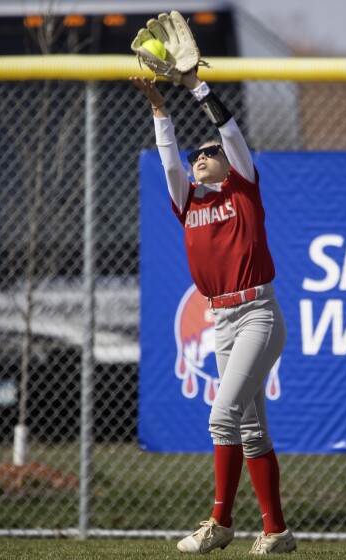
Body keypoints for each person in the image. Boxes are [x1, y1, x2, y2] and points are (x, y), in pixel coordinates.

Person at [130, 69, 296, 555]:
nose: (200, 157)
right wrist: (160, 109)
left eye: (209, 153)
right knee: (249, 428)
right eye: (196, 154)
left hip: (258, 315)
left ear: (228, 162)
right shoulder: (188, 200)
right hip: (219, 320)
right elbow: (168, 161)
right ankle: (277, 532)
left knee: (222, 417)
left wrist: (194, 87)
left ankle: (220, 521)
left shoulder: (243, 187)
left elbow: (230, 133)